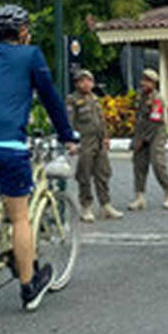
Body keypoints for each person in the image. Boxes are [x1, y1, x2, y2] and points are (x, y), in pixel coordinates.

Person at [0, 5, 80, 311]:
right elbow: (51, 99)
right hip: (8, 145)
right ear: (24, 31)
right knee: (20, 216)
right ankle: (29, 286)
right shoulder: (30, 56)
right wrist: (67, 133)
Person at [66, 69, 123, 223]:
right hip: (85, 142)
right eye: (82, 80)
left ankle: (106, 205)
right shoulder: (72, 100)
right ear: (77, 83)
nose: (86, 83)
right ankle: (86, 207)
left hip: (98, 141)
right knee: (84, 175)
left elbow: (101, 120)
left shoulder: (94, 98)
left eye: (89, 80)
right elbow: (69, 122)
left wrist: (105, 137)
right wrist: (70, 142)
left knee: (103, 174)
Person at [127, 68, 168, 211]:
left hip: (156, 133)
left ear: (154, 84)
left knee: (157, 163)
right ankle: (140, 197)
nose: (144, 83)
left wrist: (142, 139)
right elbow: (139, 119)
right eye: (143, 80)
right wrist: (137, 138)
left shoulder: (157, 99)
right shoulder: (140, 97)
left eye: (148, 81)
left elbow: (155, 121)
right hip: (142, 133)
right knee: (139, 165)